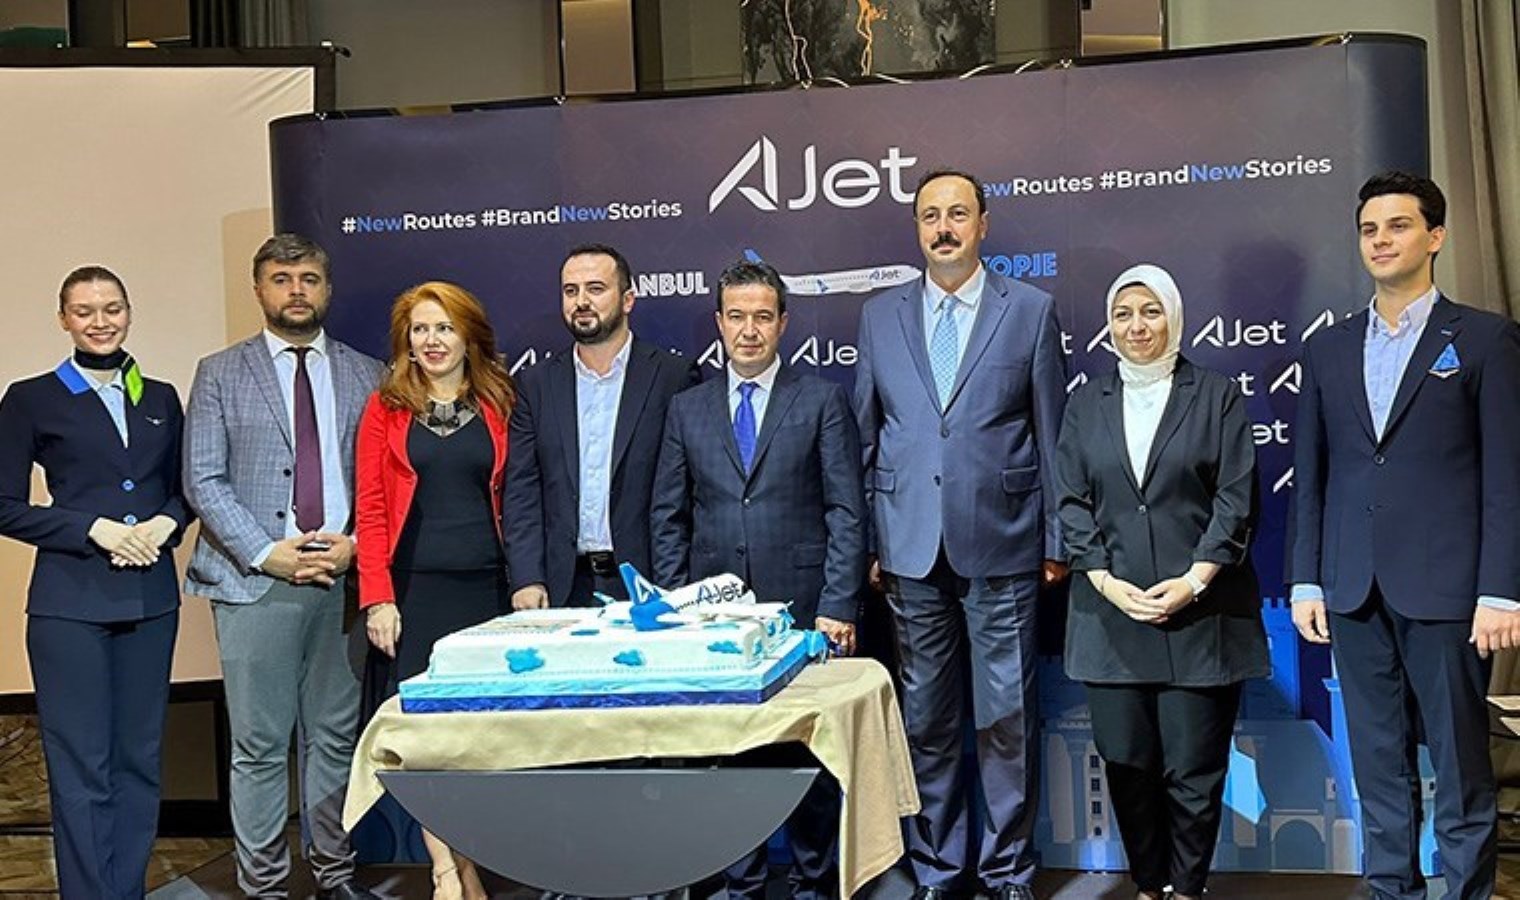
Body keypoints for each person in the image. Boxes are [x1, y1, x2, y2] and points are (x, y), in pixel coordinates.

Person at [1288, 171, 1520, 900]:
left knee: (1460, 765)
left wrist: (1501, 590)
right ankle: (1391, 890)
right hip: (1353, 588)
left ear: (1435, 237)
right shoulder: (1329, 349)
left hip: (1450, 591)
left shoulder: (1485, 339)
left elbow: (1508, 475)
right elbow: (1312, 476)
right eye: (1369, 229)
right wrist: (1306, 578)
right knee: (1378, 765)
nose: (1381, 240)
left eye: (1398, 226)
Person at [853, 168, 1066, 900]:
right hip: (907, 549)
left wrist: (1056, 542)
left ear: (983, 224)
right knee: (926, 723)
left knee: (1007, 721)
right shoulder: (879, 317)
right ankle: (939, 869)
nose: (943, 228)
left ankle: (1007, 871)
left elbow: (1051, 434)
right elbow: (866, 436)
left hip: (1005, 544)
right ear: (917, 227)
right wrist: (870, 543)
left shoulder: (1030, 311)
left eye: (957, 214)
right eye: (929, 216)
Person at [650, 259, 866, 900]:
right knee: (728, 753)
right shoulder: (686, 409)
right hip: (712, 621)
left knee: (808, 754)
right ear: (719, 322)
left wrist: (838, 604)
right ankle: (740, 885)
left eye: (762, 317)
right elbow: (668, 515)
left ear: (783, 324)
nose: (749, 330)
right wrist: (678, 608)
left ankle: (814, 883)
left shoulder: (821, 399)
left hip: (804, 611)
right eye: (737, 317)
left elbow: (846, 510)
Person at [1055, 264, 1268, 900]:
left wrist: (1195, 580)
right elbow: (1070, 500)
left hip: (1202, 615)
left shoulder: (1217, 396)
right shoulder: (1084, 403)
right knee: (1127, 767)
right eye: (1123, 314)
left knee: (1195, 772)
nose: (1137, 326)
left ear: (1173, 317)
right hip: (1110, 617)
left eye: (1150, 311)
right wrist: (1102, 579)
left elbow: (1236, 498)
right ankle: (1150, 887)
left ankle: (1188, 889)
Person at [183, 234, 384, 900]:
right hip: (254, 582)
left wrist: (356, 545)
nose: (296, 291)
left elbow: (383, 481)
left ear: (327, 288)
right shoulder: (220, 372)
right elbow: (203, 478)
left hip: (342, 580)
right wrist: (268, 553)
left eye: (308, 279)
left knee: (334, 739)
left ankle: (334, 873)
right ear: (259, 289)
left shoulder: (368, 373)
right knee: (260, 744)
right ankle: (265, 886)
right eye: (280, 278)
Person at [0, 266, 190, 899]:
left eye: (112, 308)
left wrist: (166, 522)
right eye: (84, 311)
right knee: (82, 767)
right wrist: (92, 530)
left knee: (139, 760)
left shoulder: (159, 397)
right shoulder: (30, 398)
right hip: (69, 606)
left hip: (152, 600)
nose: (100, 321)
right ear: (64, 320)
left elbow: (183, 491)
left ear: (129, 312)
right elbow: (4, 505)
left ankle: (126, 890)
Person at [355, 281, 512, 900]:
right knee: (425, 742)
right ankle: (448, 872)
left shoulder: (501, 401)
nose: (432, 340)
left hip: (488, 597)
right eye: (420, 329)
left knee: (475, 743)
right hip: (414, 596)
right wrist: (378, 596)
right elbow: (371, 510)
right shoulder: (385, 408)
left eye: (444, 327)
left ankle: (468, 868)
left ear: (469, 336)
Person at [504, 243, 699, 609]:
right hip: (560, 588)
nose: (581, 301)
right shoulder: (536, 384)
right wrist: (527, 578)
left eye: (595, 289)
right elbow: (522, 490)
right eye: (570, 291)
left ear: (628, 300)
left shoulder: (673, 377)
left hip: (649, 583)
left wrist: (676, 585)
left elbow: (687, 488)